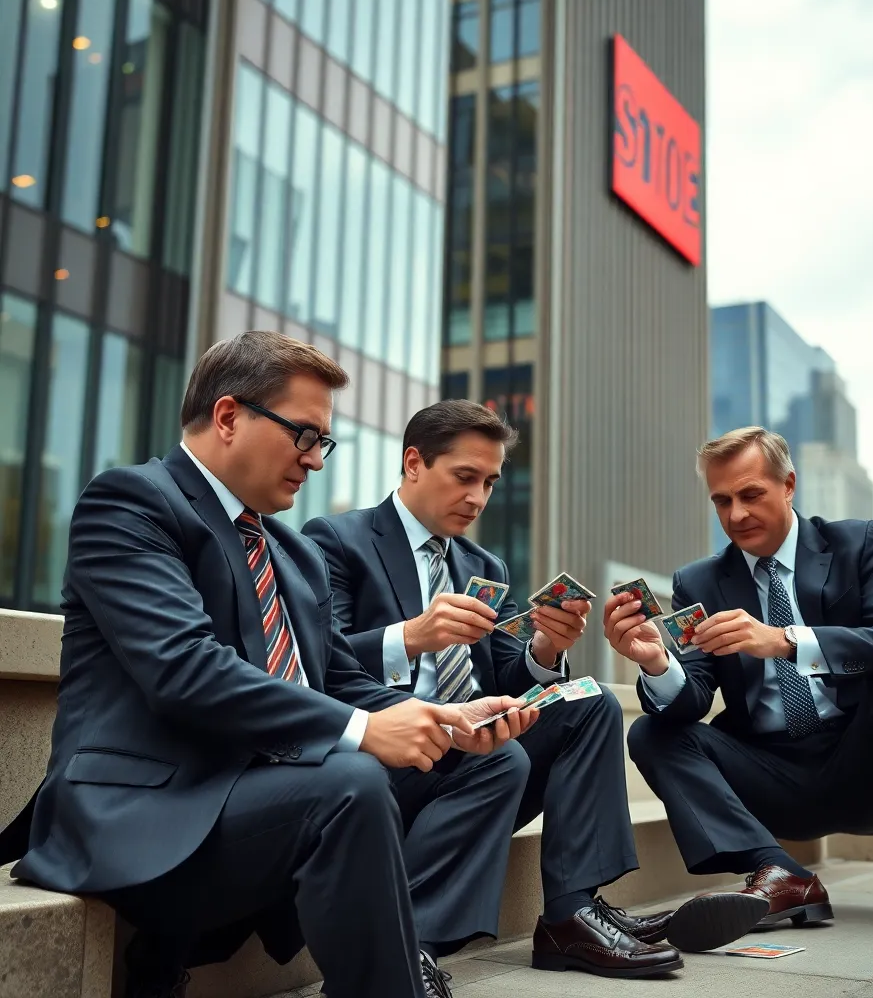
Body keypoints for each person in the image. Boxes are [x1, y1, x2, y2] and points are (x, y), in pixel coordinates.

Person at [0, 332, 538, 998]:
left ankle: (402, 955)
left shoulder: (293, 551)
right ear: (228, 417)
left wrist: (443, 718)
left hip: (262, 791)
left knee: (464, 762)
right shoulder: (133, 503)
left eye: (323, 443)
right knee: (352, 782)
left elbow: (340, 677)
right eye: (304, 436)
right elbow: (184, 667)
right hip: (141, 809)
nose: (315, 461)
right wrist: (367, 732)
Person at [303, 400, 768, 978]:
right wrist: (412, 637)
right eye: (464, 477)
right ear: (414, 463)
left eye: (490, 482)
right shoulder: (335, 540)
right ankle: (409, 947)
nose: (478, 498)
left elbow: (506, 679)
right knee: (500, 758)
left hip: (478, 746)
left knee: (592, 701)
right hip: (393, 751)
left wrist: (547, 647)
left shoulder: (484, 563)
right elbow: (316, 662)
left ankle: (571, 914)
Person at [605, 426, 873, 939]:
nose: (736, 515)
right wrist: (656, 664)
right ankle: (781, 873)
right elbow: (692, 701)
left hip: (868, 767)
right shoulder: (700, 581)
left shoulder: (857, 542)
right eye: (722, 501)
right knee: (650, 732)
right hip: (769, 773)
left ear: (789, 484)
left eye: (751, 494)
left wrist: (786, 640)